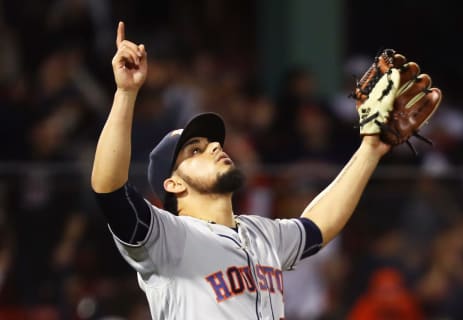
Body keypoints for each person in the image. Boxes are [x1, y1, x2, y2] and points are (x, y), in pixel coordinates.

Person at [91, 21, 391, 319]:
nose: (214, 148)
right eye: (195, 150)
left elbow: (317, 227)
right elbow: (110, 189)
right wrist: (125, 94)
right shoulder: (168, 237)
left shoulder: (262, 233)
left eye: (212, 143)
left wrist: (370, 149)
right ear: (173, 184)